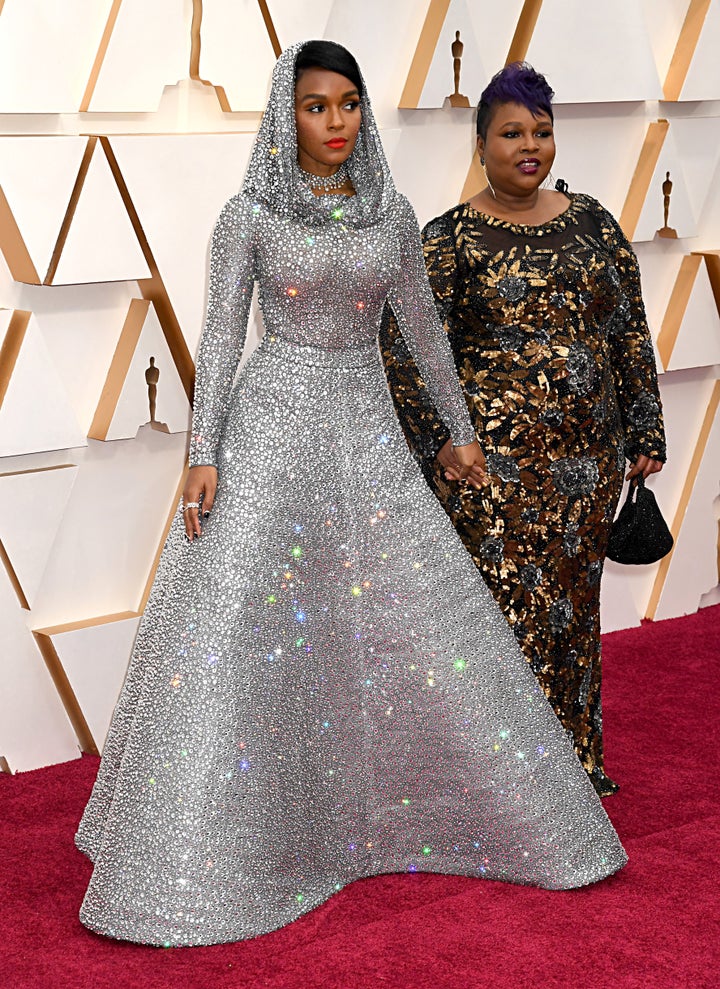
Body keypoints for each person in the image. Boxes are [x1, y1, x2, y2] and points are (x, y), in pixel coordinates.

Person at [75, 42, 626, 948]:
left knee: (407, 619)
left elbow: (423, 332)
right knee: (237, 630)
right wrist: (203, 450)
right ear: (284, 115)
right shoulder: (247, 214)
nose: (335, 123)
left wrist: (457, 432)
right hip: (271, 426)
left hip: (366, 430)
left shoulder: (391, 214)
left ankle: (394, 819)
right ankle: (204, 849)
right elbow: (218, 338)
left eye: (348, 105)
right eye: (314, 107)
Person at [380, 62, 666, 797]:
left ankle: (574, 765)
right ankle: (500, 779)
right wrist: (438, 441)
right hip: (492, 475)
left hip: (588, 468)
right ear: (480, 144)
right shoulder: (448, 241)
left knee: (572, 616)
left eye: (542, 130)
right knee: (502, 616)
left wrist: (645, 429)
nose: (530, 145)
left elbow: (629, 331)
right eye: (512, 132)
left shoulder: (595, 224)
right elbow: (405, 350)